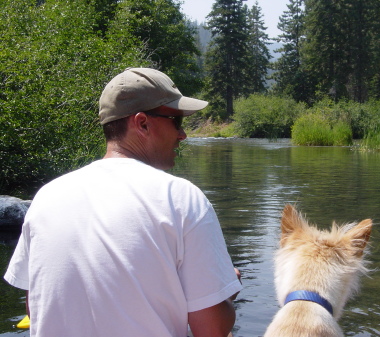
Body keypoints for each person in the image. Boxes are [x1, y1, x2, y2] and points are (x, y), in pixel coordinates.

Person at [4, 68, 242, 337]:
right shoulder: (181, 198)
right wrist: (223, 293)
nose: (182, 135)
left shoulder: (46, 197)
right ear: (141, 123)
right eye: (176, 121)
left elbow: (35, 309)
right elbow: (211, 330)